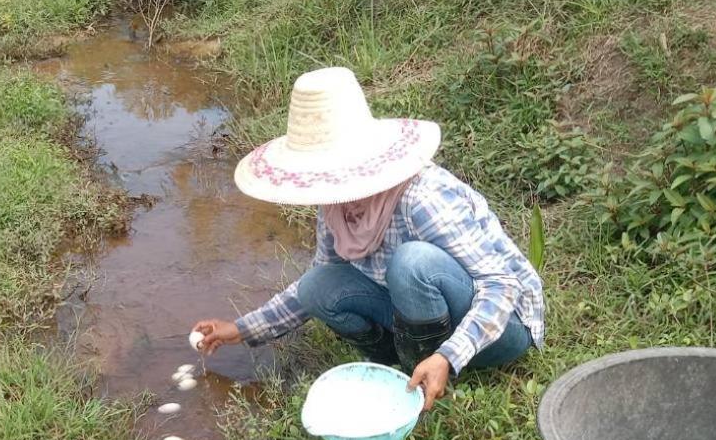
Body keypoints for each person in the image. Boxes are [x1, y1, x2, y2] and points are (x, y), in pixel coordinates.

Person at [193, 67, 544, 410]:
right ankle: (401, 366)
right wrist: (240, 330)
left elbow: (501, 284)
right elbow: (321, 277)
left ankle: (431, 369)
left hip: (502, 330)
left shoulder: (421, 198)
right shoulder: (334, 205)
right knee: (318, 285)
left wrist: (447, 356)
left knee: (412, 263)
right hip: (420, 316)